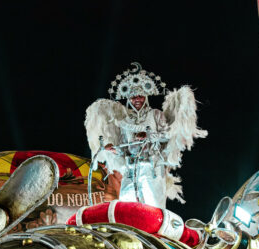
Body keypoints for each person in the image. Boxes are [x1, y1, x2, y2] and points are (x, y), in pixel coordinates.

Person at [85, 62, 207, 209]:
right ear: (128, 98)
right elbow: (124, 149)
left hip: (152, 168)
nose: (137, 100)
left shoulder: (155, 114)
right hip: (131, 169)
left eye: (140, 96)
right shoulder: (124, 121)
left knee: (153, 207)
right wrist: (113, 149)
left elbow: (167, 135)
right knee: (126, 206)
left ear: (146, 97)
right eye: (133, 97)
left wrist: (149, 136)